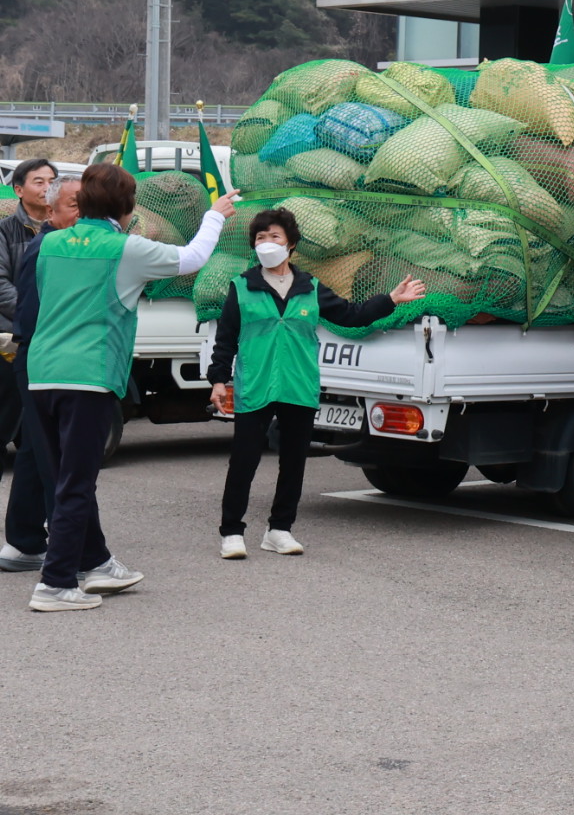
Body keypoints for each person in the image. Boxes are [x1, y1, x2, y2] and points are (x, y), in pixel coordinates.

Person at [25, 164, 237, 612]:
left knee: (68, 478)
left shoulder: (51, 243)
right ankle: (56, 583)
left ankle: (96, 562)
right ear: (126, 206)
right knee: (76, 484)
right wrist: (214, 214)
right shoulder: (126, 248)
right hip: (90, 374)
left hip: (42, 372)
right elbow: (192, 259)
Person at [209, 207, 424, 560]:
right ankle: (232, 532)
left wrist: (391, 300)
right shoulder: (242, 287)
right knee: (243, 462)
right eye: (261, 238)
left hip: (299, 386)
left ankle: (280, 530)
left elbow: (351, 316)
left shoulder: (310, 287)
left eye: (274, 236)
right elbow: (226, 338)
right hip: (254, 386)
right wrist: (219, 379)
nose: (267, 243)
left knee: (293, 462)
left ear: (290, 244)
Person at [0, 167, 68, 573]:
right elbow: (5, 285)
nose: (46, 188)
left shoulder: (60, 233)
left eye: (51, 181)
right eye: (38, 182)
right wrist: (37, 313)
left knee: (34, 444)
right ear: (18, 188)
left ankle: (27, 538)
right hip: (15, 343)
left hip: (42, 342)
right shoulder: (9, 232)